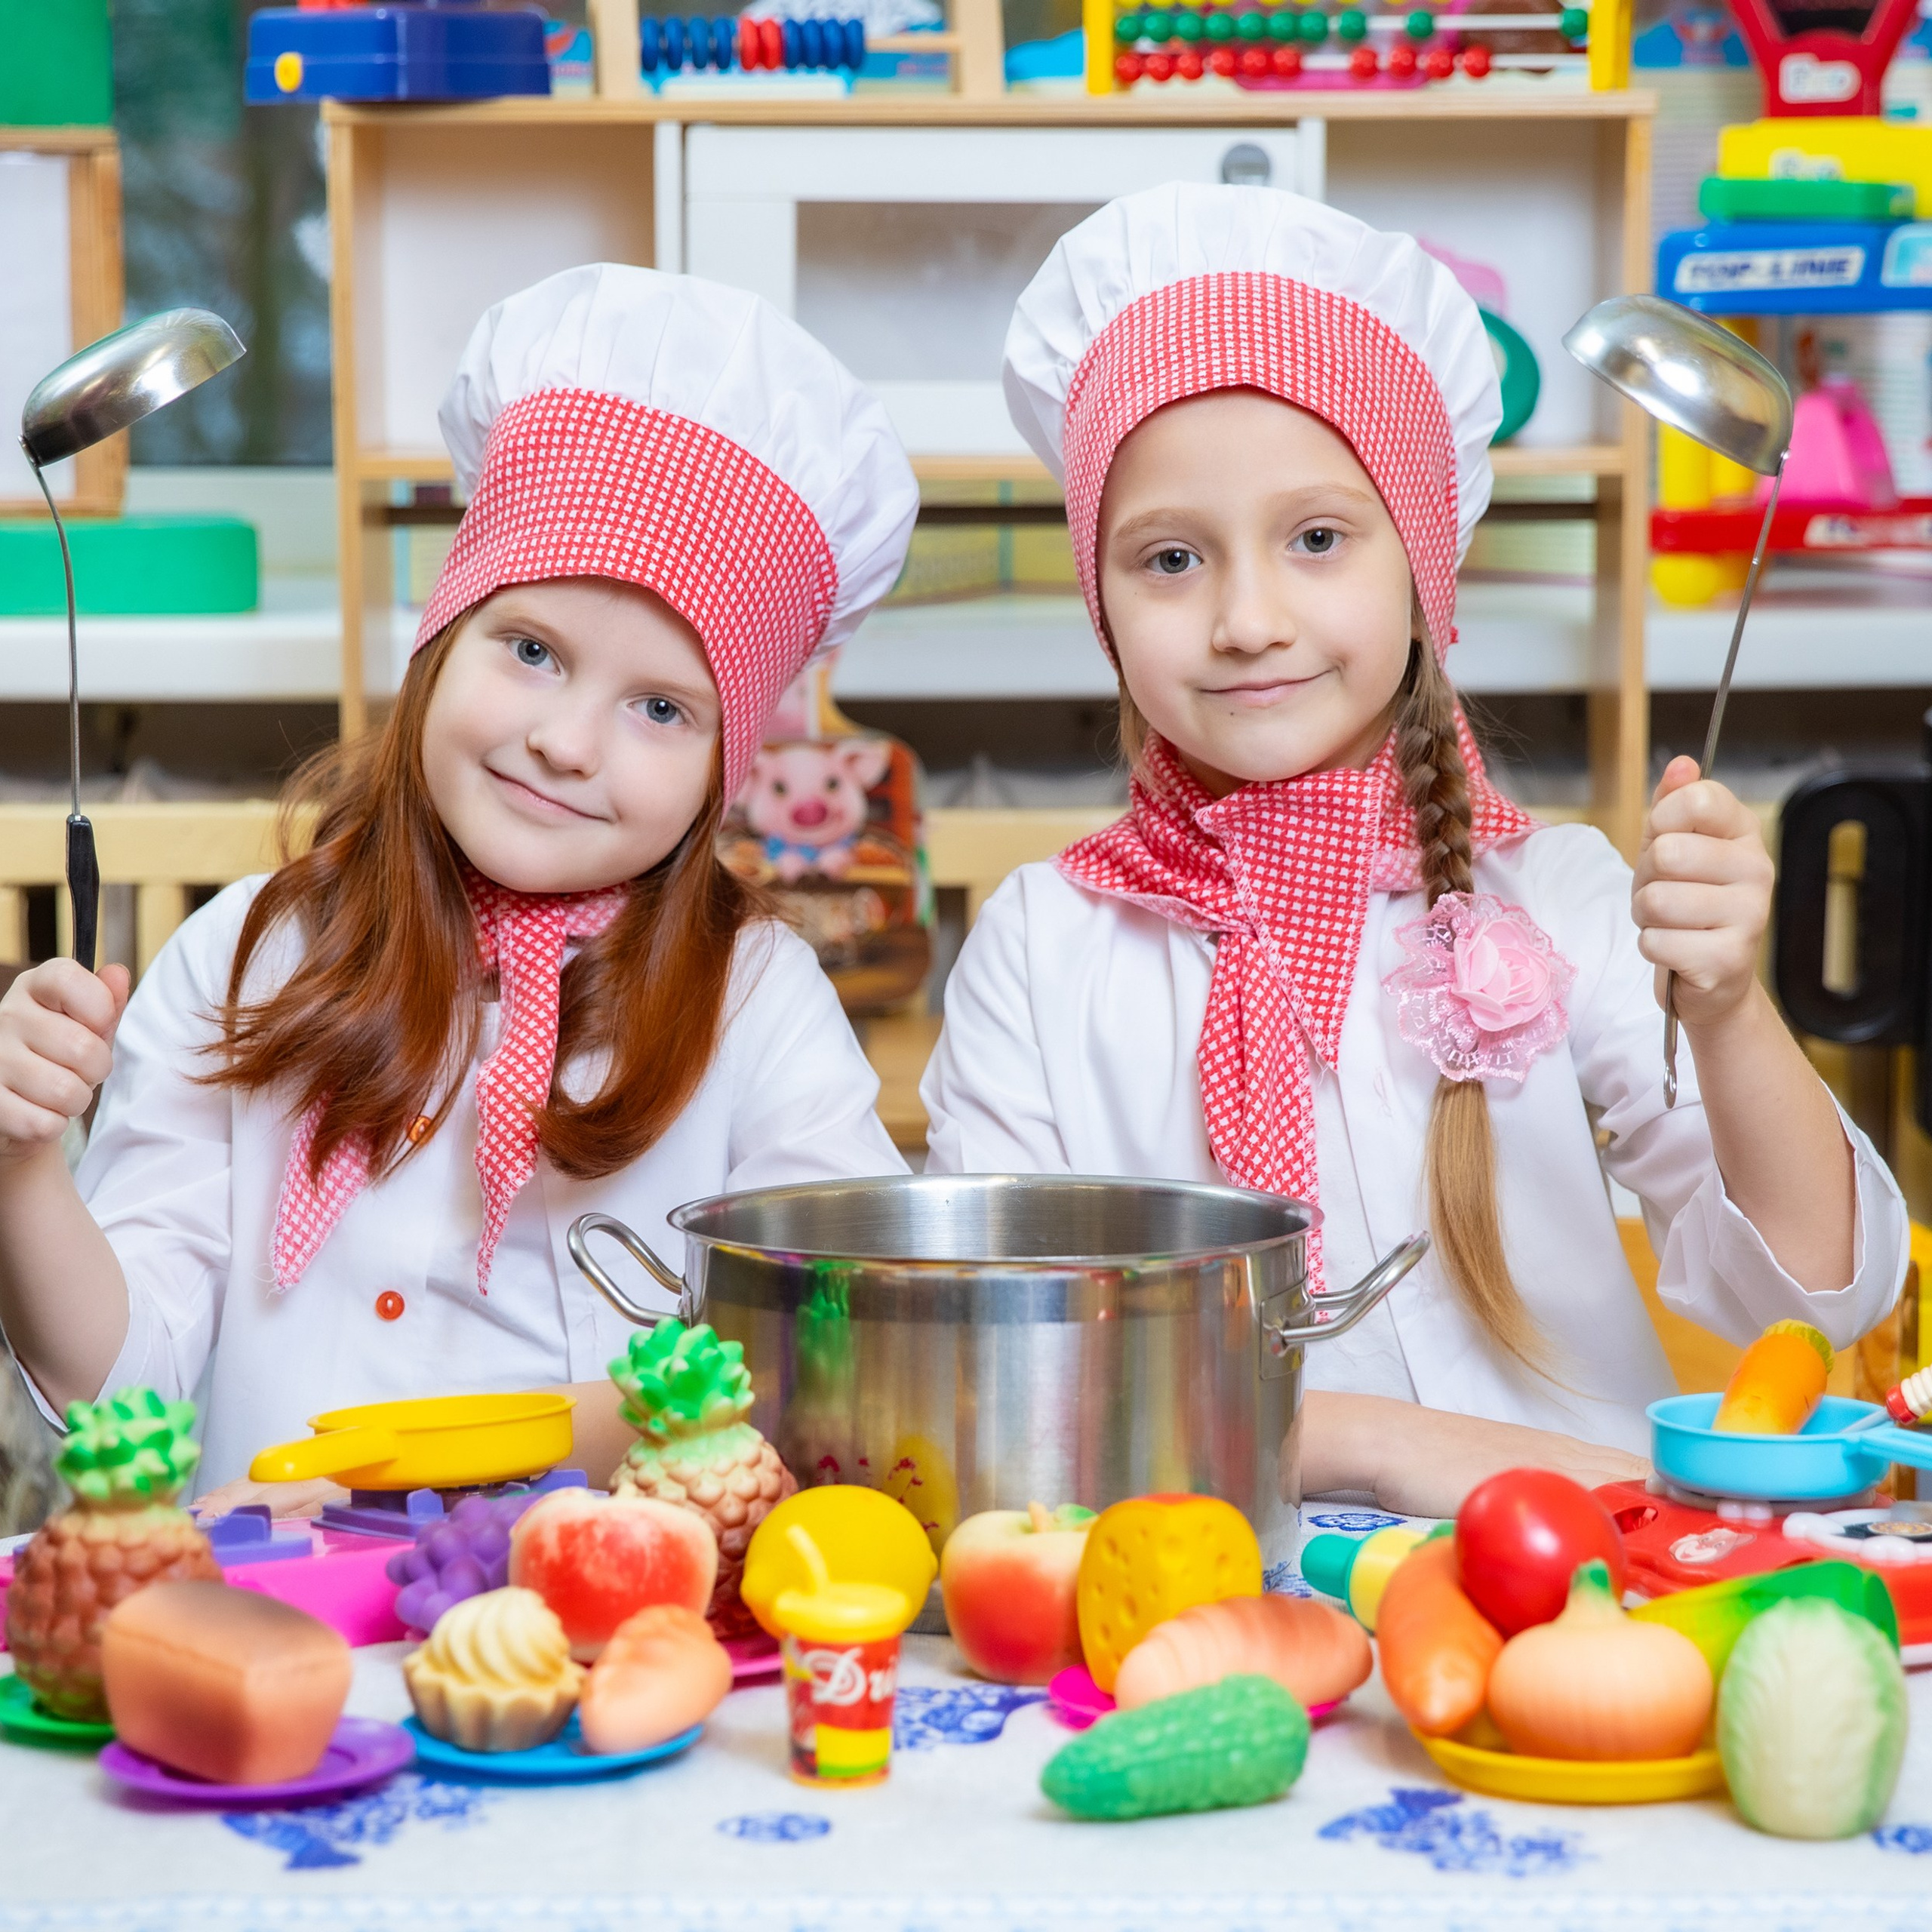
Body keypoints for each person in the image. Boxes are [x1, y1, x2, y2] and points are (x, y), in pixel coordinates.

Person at [921, 186, 1908, 1515]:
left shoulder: (1561, 895)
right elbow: (1005, 1373)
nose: (1248, 619)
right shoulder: (1040, 947)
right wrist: (1379, 1444)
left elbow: (1815, 1288)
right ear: (1101, 599)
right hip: (1201, 1574)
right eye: (1171, 559)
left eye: (1318, 538)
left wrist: (1728, 1009)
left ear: (1424, 569)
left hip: (1592, 1566)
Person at [0, 264, 916, 1504]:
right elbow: (116, 1393)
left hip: (609, 1604)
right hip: (281, 1603)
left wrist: (528, 1436)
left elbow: (847, 1345)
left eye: (660, 707)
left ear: (726, 764)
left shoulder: (755, 1002)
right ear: (441, 635)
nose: (568, 742)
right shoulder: (246, 955)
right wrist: (23, 1164)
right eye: (531, 649)